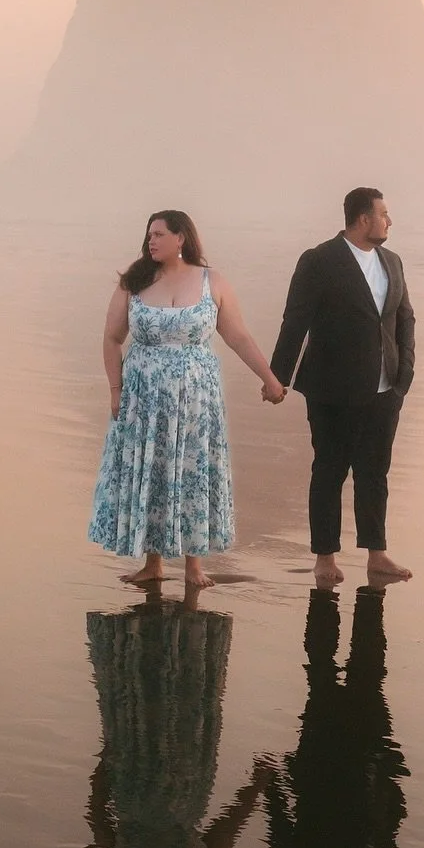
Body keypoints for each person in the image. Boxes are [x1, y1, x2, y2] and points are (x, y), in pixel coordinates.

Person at [89, 208, 286, 588]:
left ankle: (195, 566)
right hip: (143, 397)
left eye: (159, 234)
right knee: (152, 470)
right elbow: (111, 338)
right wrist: (116, 390)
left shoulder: (213, 281)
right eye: (149, 234)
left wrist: (270, 380)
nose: (151, 240)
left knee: (193, 471)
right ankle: (153, 563)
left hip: (196, 399)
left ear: (181, 238)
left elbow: (238, 336)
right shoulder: (134, 281)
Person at [85, 593, 269, 848]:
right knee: (185, 705)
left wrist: (105, 759)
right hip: (188, 782)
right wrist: (255, 789)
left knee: (141, 705)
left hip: (133, 780)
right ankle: (186, 630)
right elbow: (223, 835)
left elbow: (96, 814)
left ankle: (145, 628)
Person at [256, 585, 408, 848]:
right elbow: (389, 824)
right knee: (357, 676)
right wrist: (392, 773)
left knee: (330, 675)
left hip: (324, 765)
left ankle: (331, 599)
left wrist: (271, 786)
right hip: (362, 758)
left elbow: (282, 834)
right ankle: (362, 599)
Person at [267, 187, 415, 586]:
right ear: (363, 219)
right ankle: (325, 557)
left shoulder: (392, 261)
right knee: (329, 471)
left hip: (385, 390)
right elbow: (295, 321)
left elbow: (404, 319)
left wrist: (404, 374)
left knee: (375, 472)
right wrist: (277, 378)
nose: (389, 221)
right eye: (384, 214)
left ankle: (377, 554)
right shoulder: (319, 260)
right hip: (332, 389)